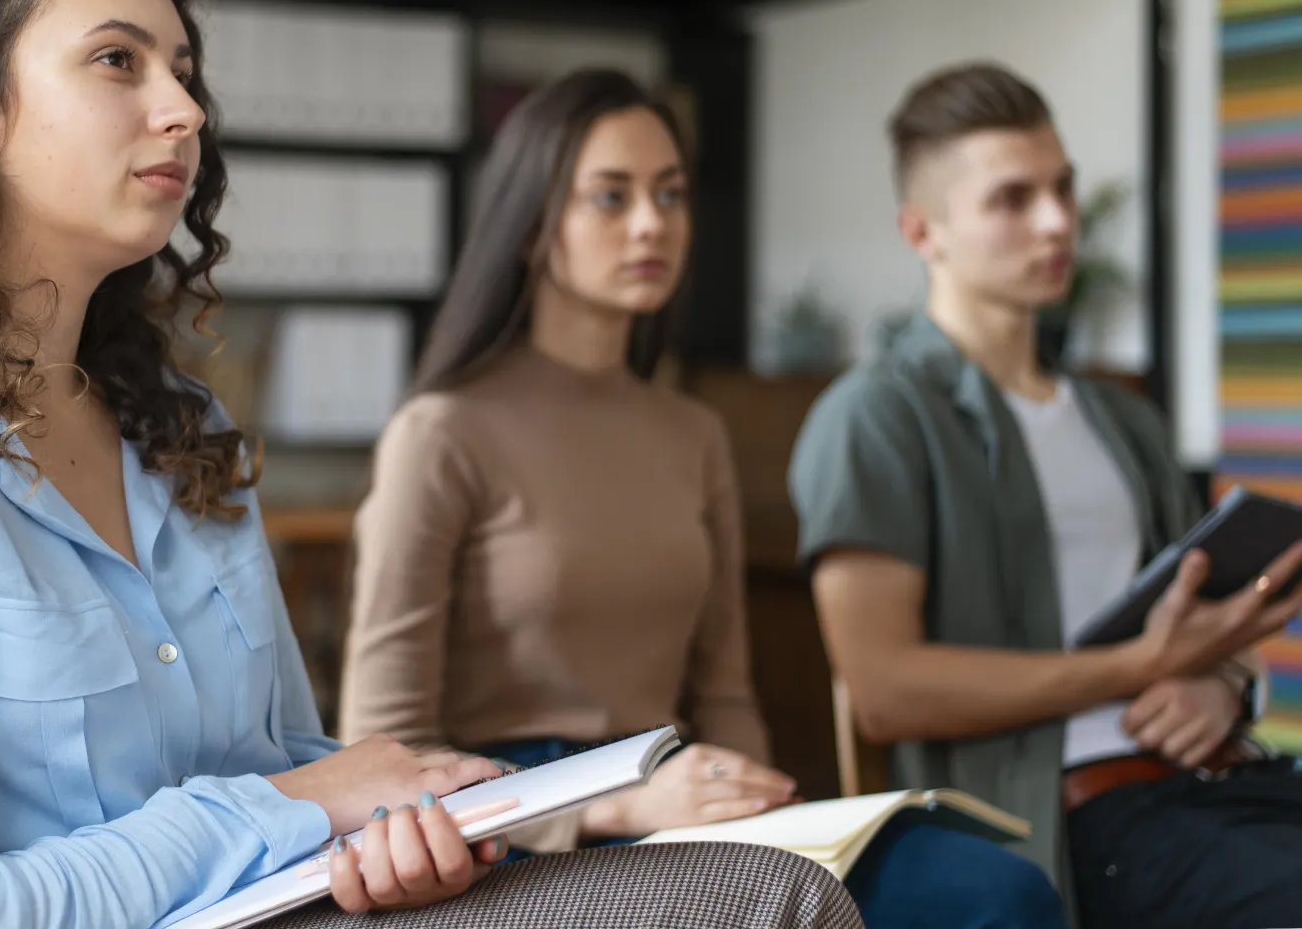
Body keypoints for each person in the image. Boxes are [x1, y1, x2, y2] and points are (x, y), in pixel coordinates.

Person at [0, 0, 866, 929]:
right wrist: (294, 807)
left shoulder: (179, 425)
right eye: (117, 62)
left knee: (773, 890)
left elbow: (295, 767)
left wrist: (389, 829)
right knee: (769, 905)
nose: (184, 109)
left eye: (183, 71)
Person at [339, 67, 1069, 928]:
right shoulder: (442, 433)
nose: (653, 222)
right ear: (534, 223)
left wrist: (754, 809)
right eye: (611, 197)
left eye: (671, 194)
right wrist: (605, 806)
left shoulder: (692, 434)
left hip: (680, 790)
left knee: (999, 891)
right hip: (515, 829)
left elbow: (724, 690)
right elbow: (382, 744)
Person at [789, 61, 1302, 929]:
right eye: (1011, 199)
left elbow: (1210, 624)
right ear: (923, 230)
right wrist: (1137, 668)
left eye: (1061, 189)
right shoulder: (876, 416)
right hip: (1069, 817)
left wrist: (1219, 684)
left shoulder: (1120, 416)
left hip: (1229, 776)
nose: (1058, 221)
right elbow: (884, 689)